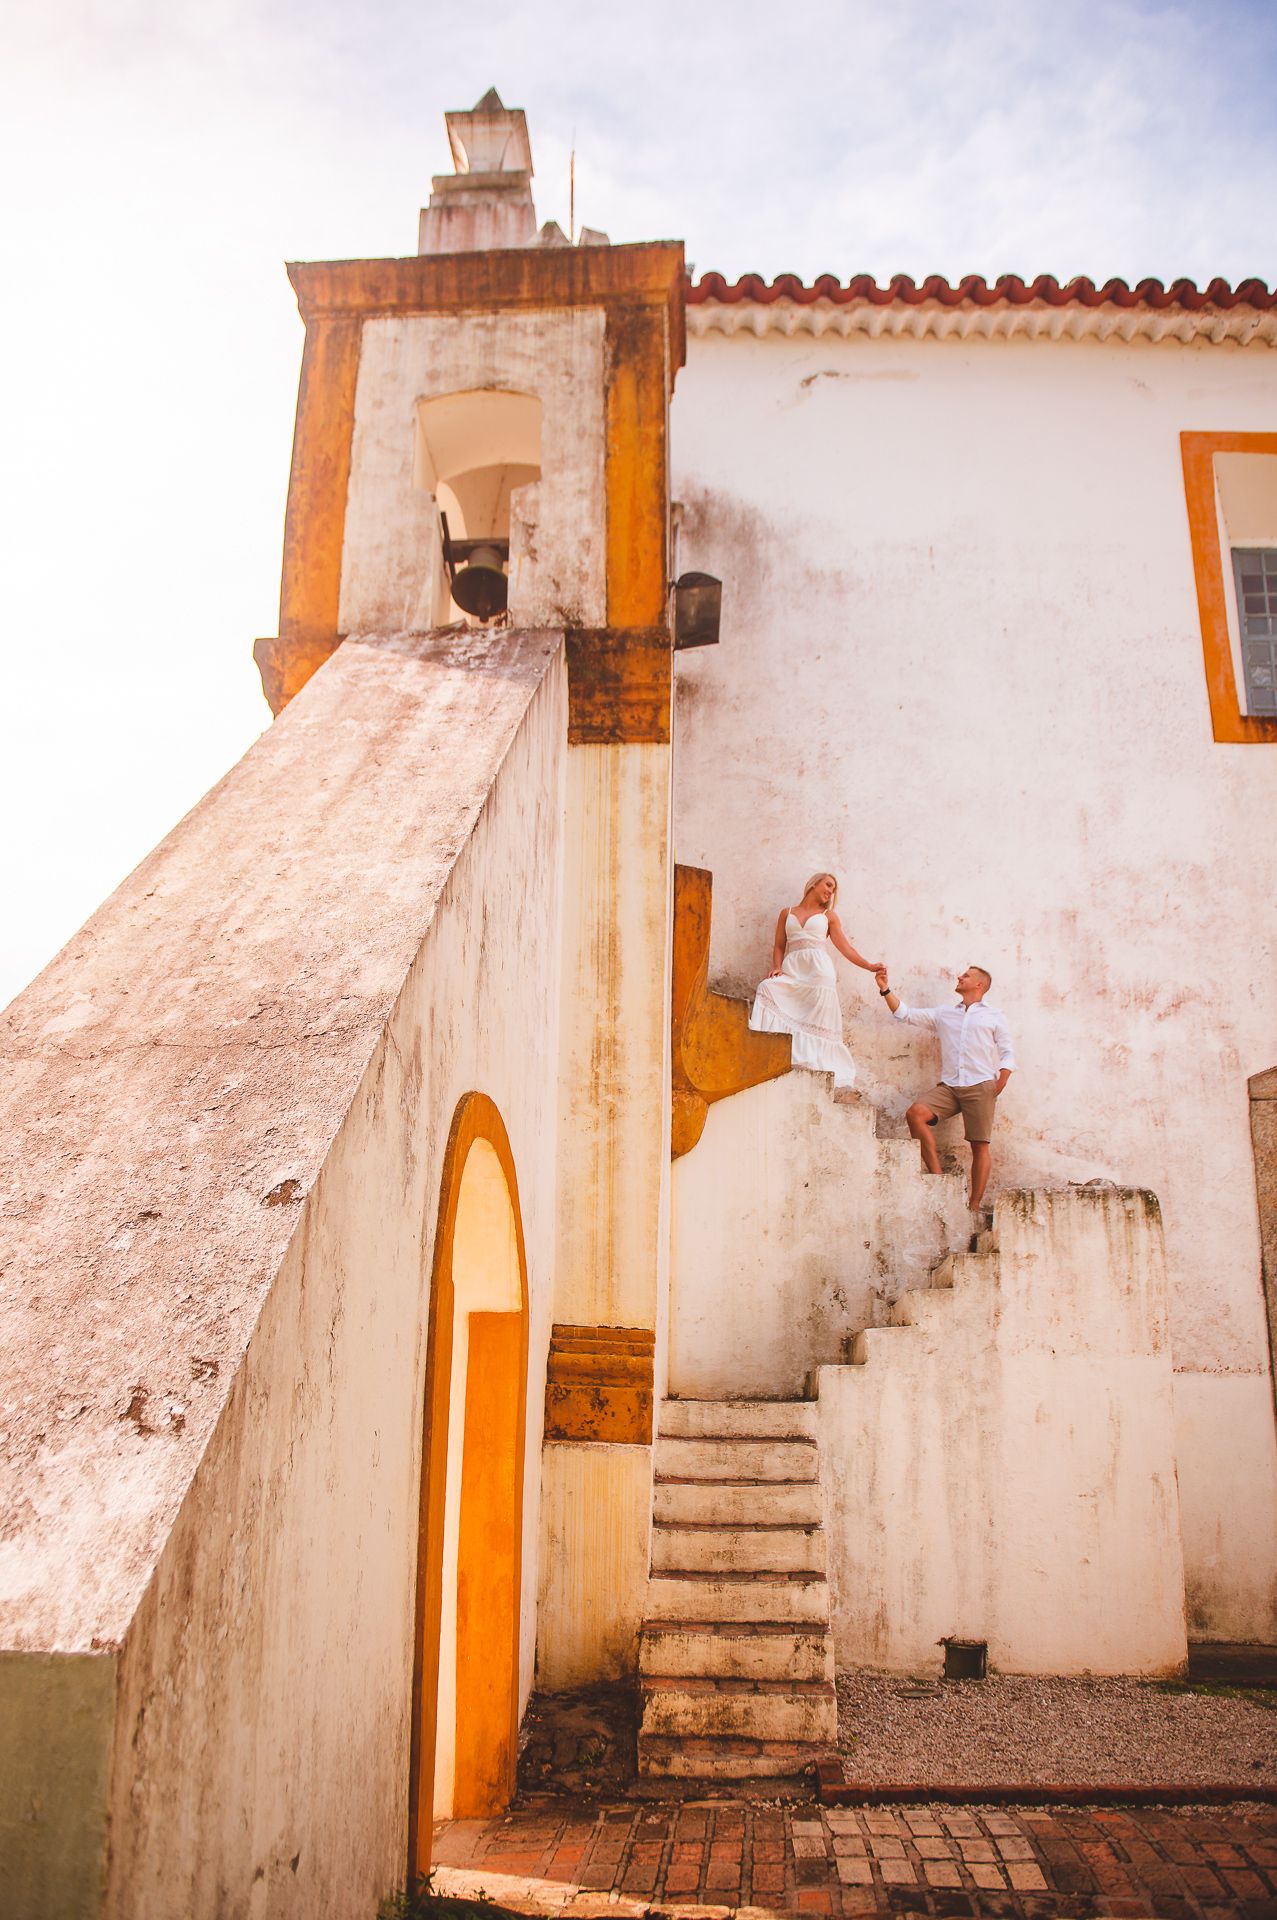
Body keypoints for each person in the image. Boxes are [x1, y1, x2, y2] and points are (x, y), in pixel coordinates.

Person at [874, 964, 1015, 1213]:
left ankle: (974, 1205)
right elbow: (905, 1013)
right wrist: (885, 989)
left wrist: (1001, 1080)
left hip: (980, 1085)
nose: (960, 977)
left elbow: (1007, 1051)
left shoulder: (994, 1015)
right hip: (950, 1087)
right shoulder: (944, 1014)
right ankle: (939, 1180)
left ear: (979, 985)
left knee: (979, 1145)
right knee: (916, 1114)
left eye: (966, 975)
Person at [748, 873, 883, 1091]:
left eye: (833, 889)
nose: (831, 891)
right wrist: (776, 966)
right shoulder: (786, 913)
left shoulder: (829, 916)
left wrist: (869, 966)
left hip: (819, 974)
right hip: (792, 970)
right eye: (828, 885)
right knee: (767, 988)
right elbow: (779, 945)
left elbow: (846, 948)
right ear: (814, 883)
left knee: (817, 1023)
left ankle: (815, 1064)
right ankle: (770, 1050)